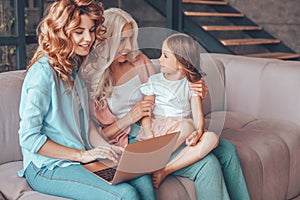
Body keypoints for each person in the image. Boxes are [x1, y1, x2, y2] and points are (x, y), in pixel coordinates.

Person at [80, 7, 250, 200]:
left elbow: (170, 85)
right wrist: (129, 118)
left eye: (130, 38)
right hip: (134, 139)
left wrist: (196, 85)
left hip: (161, 127)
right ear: (106, 40)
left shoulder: (139, 61)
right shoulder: (89, 78)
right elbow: (91, 136)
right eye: (121, 40)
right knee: (207, 163)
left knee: (228, 151)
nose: (129, 47)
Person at [18, 1, 154, 199]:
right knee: (126, 195)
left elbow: (86, 124)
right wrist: (81, 155)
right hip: (46, 167)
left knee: (144, 182)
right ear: (62, 32)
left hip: (79, 158)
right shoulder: (43, 73)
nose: (88, 38)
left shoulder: (75, 69)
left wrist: (107, 149)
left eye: (91, 30)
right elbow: (29, 137)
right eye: (79, 32)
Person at [136, 33, 220, 188]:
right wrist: (148, 132)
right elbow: (146, 110)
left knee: (212, 138)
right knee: (186, 126)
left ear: (181, 63)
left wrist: (199, 132)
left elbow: (197, 114)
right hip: (160, 132)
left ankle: (165, 169)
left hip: (184, 133)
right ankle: (153, 158)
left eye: (165, 56)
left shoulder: (191, 84)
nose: (160, 59)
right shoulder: (154, 81)